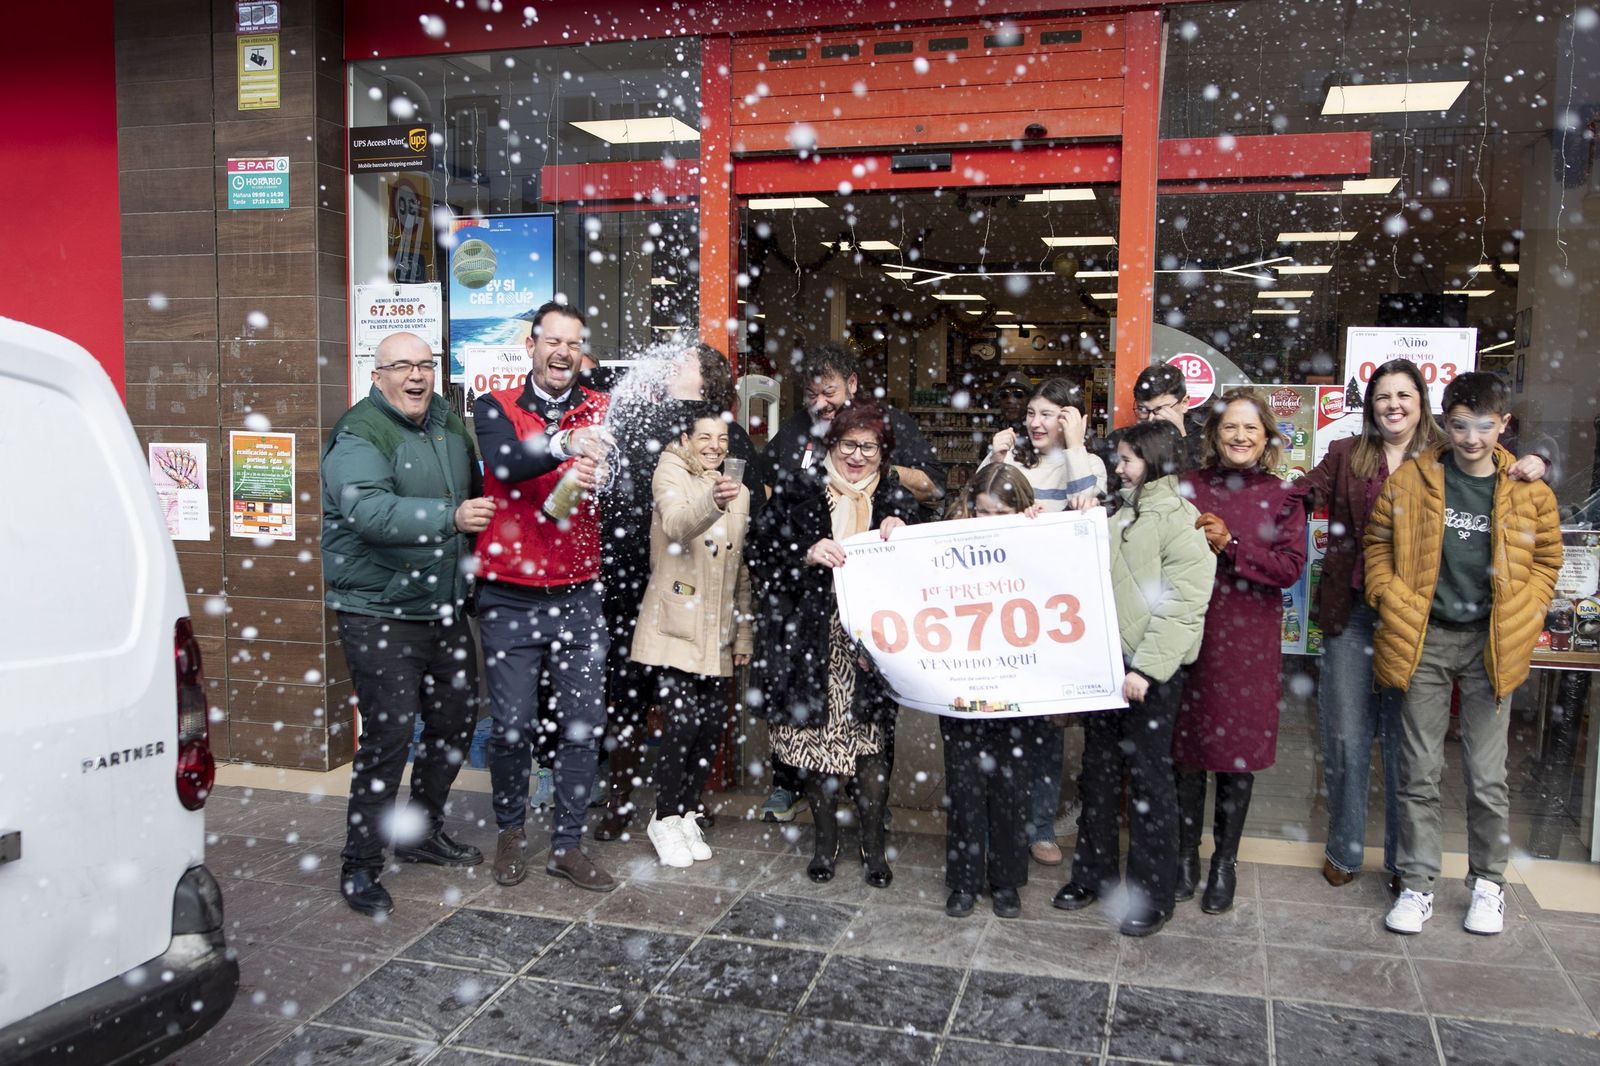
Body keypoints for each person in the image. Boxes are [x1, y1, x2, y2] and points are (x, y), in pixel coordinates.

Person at [1291, 361, 1549, 892]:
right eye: (1383, 396)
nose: (1393, 405)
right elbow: (1300, 496)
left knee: (1407, 750)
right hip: (1358, 611)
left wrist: (1545, 457)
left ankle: (1402, 864)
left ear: (1422, 401)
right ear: (1371, 406)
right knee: (1346, 736)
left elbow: (1521, 491)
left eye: (1404, 395)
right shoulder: (1348, 455)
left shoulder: (1445, 453)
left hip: (1422, 623)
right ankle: (1345, 847)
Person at [1366, 372, 1560, 937]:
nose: (1471, 437)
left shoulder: (1529, 490)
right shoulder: (1412, 481)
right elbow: (1379, 543)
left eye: (1484, 424)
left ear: (1504, 425)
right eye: (1459, 424)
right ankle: (1419, 885)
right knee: (1419, 771)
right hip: (1423, 638)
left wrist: (1529, 606)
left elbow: (1547, 560)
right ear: (1444, 423)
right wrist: (1389, 595)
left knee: (1485, 775)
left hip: (1491, 644)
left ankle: (1489, 884)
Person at [322, 331, 493, 916]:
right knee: (389, 738)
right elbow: (367, 510)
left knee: (453, 723)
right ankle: (361, 864)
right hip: (379, 612)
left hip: (441, 606)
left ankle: (419, 832)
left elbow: (483, 486)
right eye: (401, 366)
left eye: (425, 365)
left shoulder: (447, 425)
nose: (416, 376)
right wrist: (449, 517)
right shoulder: (360, 432)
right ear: (378, 375)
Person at [756, 342, 946, 823]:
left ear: (854, 385)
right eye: (813, 394)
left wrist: (869, 465)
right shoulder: (797, 431)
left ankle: (871, 802)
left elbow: (934, 485)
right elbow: (765, 497)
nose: (822, 402)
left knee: (872, 709)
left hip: (874, 604)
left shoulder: (890, 424)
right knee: (805, 697)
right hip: (807, 597)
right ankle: (792, 783)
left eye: (831, 391)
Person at [474, 300, 617, 893]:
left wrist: (609, 472)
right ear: (532, 345)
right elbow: (504, 464)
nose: (562, 353)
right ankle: (511, 832)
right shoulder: (496, 406)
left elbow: (628, 480)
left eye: (572, 343)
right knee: (511, 727)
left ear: (582, 352)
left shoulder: (604, 408)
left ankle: (567, 844)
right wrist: (563, 446)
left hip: (579, 595)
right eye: (551, 341)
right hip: (509, 596)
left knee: (582, 725)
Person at [593, 343, 763, 841]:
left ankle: (682, 804)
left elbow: (742, 517)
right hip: (632, 580)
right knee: (628, 695)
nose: (672, 362)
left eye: (685, 359)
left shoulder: (727, 436)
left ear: (707, 379)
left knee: (695, 706)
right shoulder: (640, 414)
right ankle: (621, 798)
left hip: (697, 588)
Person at [748, 400, 920, 888]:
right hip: (810, 641)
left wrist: (904, 537)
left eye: (869, 447)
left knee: (870, 748)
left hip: (871, 647)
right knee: (815, 748)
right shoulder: (799, 493)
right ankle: (825, 842)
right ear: (831, 446)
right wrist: (804, 553)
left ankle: (873, 845)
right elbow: (759, 554)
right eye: (849, 445)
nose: (858, 456)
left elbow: (926, 576)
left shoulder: (898, 502)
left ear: (884, 453)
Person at [1054, 421, 1217, 936]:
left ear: (1155, 460)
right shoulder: (1118, 511)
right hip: (1108, 668)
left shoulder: (1183, 521)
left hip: (1150, 674)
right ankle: (1094, 875)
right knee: (1098, 776)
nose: (1119, 467)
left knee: (1150, 784)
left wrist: (1147, 667)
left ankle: (1153, 893)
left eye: (1127, 459)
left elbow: (1186, 605)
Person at [1174, 388, 1307, 915]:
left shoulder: (1283, 496)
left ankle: (1223, 863)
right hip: (1188, 633)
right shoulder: (1186, 487)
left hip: (1248, 640)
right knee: (1186, 753)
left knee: (1237, 758)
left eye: (1251, 428)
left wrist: (1231, 545)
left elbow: (1289, 569)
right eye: (1230, 426)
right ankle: (1185, 856)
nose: (1240, 436)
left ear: (1267, 436)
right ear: (1213, 434)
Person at [981, 377, 1107, 865]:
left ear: (1071, 418)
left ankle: (1039, 826)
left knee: (1044, 731)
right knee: (1000, 725)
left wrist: (1075, 445)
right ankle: (997, 823)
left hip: (1050, 617)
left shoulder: (1087, 462)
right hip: (1002, 610)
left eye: (1049, 414)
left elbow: (1085, 507)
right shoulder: (1013, 461)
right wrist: (995, 458)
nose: (1036, 422)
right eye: (1031, 412)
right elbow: (980, 507)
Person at [630, 410, 754, 867]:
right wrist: (717, 502)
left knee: (709, 731)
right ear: (686, 438)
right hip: (678, 623)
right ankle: (662, 816)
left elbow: (739, 564)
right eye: (704, 437)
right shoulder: (670, 470)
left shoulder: (735, 487)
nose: (714, 446)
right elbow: (679, 525)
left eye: (721, 439)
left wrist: (744, 634)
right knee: (680, 726)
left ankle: (686, 813)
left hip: (718, 627)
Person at [939, 465, 1046, 919]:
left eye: (1000, 513)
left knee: (1011, 787)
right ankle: (964, 879)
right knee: (964, 785)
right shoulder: (949, 539)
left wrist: (1050, 529)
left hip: (1018, 682)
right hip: (963, 680)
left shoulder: (1037, 537)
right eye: (982, 511)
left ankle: (1006, 880)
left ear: (1020, 509)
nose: (989, 521)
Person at [1133, 362, 1207, 471]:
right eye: (1143, 409)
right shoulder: (1126, 439)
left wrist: (1180, 437)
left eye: (1160, 409)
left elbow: (1197, 481)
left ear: (1184, 403)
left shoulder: (1205, 440)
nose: (1150, 419)